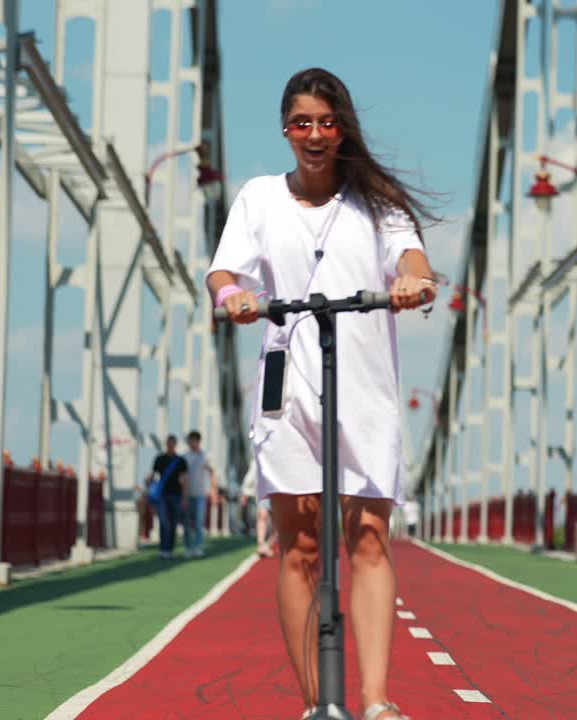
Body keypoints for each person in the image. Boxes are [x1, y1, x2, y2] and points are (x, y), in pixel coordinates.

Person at [205, 67, 437, 720]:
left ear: (343, 129)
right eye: (301, 123)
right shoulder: (258, 198)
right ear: (285, 130)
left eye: (327, 123)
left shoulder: (377, 201)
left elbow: (410, 257)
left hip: (363, 386)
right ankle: (315, 705)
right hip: (289, 386)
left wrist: (413, 282)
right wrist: (234, 295)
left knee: (369, 537)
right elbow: (223, 271)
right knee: (300, 543)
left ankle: (376, 701)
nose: (314, 135)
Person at [146, 435, 187, 559]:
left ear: (175, 445)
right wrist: (149, 489)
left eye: (172, 444)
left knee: (173, 523)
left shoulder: (181, 461)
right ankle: (163, 549)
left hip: (176, 495)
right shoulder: (160, 459)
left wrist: (184, 497)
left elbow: (184, 480)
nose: (170, 446)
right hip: (162, 496)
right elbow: (152, 476)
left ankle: (170, 549)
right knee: (164, 522)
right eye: (168, 443)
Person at [181, 430, 219, 559]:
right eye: (190, 440)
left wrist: (214, 491)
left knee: (199, 522)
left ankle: (198, 547)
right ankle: (188, 547)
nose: (192, 443)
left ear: (198, 441)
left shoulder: (205, 456)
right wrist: (183, 496)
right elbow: (182, 477)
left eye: (194, 440)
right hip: (187, 494)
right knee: (187, 523)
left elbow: (212, 473)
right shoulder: (185, 457)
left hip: (201, 494)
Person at [240, 461, 275, 558]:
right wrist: (245, 491)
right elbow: (251, 475)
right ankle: (261, 544)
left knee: (276, 520)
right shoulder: (258, 459)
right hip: (263, 490)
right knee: (262, 515)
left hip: (277, 490)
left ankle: (270, 544)